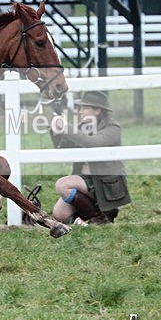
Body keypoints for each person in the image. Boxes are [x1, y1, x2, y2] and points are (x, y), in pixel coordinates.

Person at [49, 91, 131, 226]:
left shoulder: (112, 127)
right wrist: (56, 131)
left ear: (97, 111)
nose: (80, 111)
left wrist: (66, 127)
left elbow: (92, 142)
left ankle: (99, 218)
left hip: (106, 182)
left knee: (62, 185)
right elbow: (63, 148)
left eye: (85, 108)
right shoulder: (83, 127)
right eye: (80, 108)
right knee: (60, 214)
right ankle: (95, 215)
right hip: (85, 180)